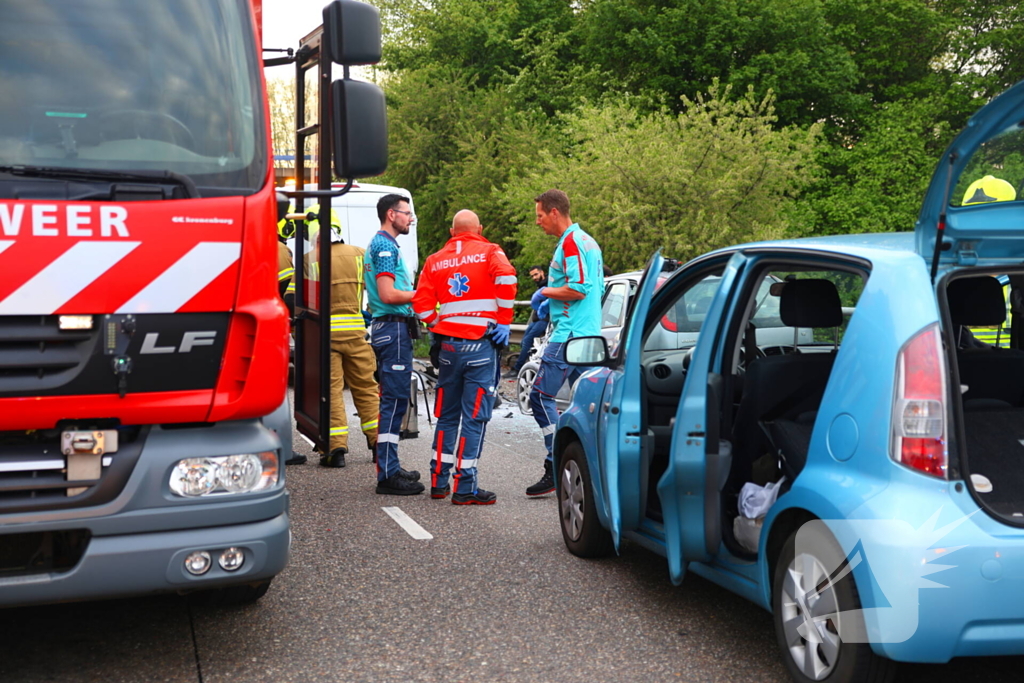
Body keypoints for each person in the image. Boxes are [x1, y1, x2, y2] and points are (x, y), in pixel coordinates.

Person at [412, 210, 517, 505]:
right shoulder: (490, 251)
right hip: (481, 347)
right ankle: (465, 487)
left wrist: (436, 323)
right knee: (474, 418)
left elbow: (420, 303)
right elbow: (507, 277)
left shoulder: (435, 260)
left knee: (446, 416)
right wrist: (506, 320)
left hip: (448, 349)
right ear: (479, 229)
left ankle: (438, 482)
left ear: (451, 231)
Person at [527, 189, 603, 497]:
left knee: (539, 397)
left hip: (569, 334)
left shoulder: (572, 242)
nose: (539, 222)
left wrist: (545, 292)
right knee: (588, 405)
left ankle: (554, 460)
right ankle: (591, 468)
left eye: (540, 216)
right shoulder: (586, 240)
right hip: (587, 332)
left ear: (555, 212)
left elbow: (579, 288)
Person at [304, 205, 381, 469]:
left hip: (325, 338)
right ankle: (378, 444)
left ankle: (335, 449)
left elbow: (294, 298)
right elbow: (380, 288)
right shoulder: (360, 254)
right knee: (367, 389)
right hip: (357, 333)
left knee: (332, 392)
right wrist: (367, 313)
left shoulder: (309, 259)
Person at [364, 194, 424, 495]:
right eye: (407, 213)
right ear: (391, 214)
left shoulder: (382, 245)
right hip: (393, 329)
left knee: (396, 400)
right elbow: (388, 295)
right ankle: (387, 475)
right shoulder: (385, 246)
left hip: (390, 329)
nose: (410, 218)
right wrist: (424, 294)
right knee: (394, 401)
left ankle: (390, 465)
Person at [276, 204, 306, 466]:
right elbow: (289, 292)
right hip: (273, 328)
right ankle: (282, 448)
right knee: (275, 391)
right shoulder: (280, 251)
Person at [504, 265, 549, 378]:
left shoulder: (548, 284)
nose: (534, 277)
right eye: (532, 276)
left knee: (528, 341)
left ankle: (518, 369)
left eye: (536, 274)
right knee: (524, 342)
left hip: (544, 319)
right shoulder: (541, 285)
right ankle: (528, 367)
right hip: (536, 319)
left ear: (542, 272)